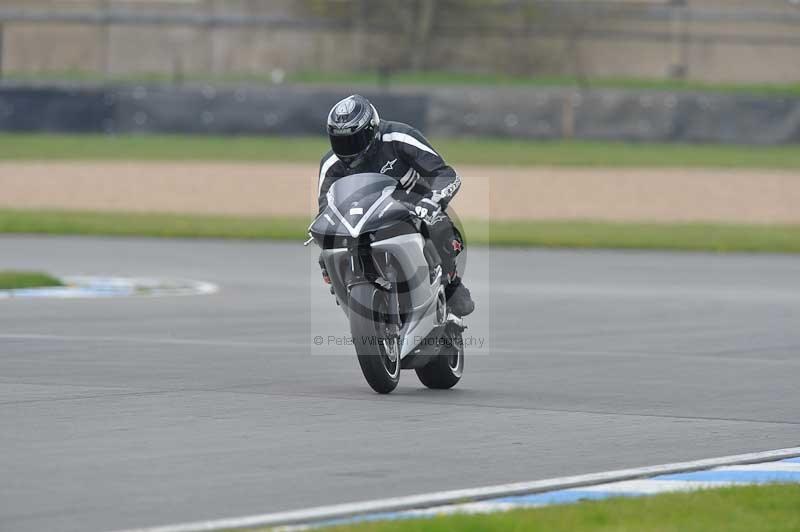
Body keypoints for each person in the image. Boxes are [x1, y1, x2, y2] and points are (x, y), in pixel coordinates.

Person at [317, 94, 474, 317]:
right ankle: (349, 293)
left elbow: (445, 174)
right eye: (340, 141)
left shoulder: (399, 137)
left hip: (411, 207)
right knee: (326, 254)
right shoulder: (331, 164)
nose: (348, 148)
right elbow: (326, 206)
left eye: (355, 140)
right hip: (362, 221)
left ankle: (451, 285)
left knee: (440, 228)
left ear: (371, 129)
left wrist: (431, 201)